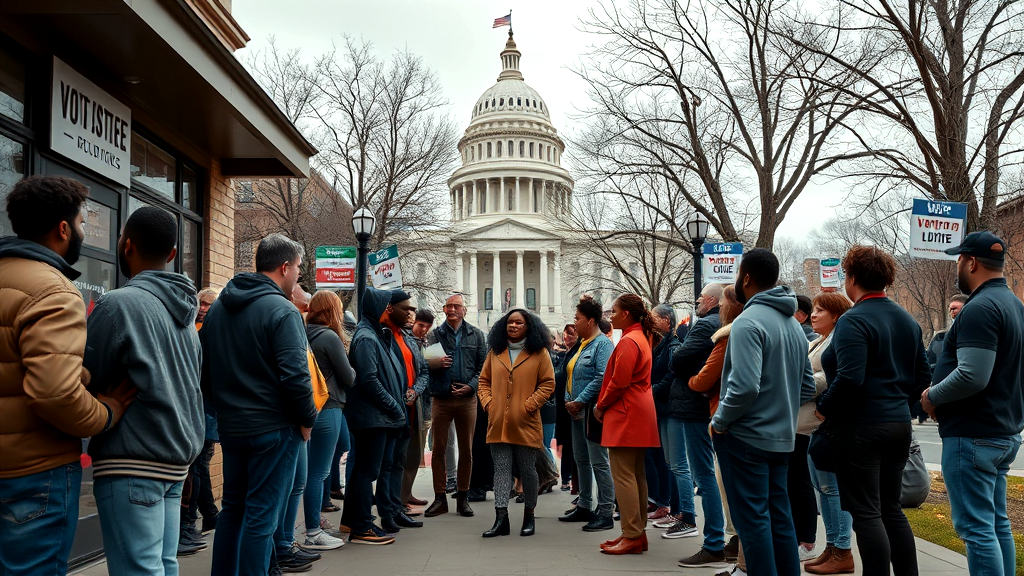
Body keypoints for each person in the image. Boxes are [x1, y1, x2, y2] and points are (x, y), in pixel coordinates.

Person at [0, 176, 136, 576]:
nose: (81, 231)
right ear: (63, 229)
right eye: (80, 223)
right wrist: (107, 410)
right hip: (34, 473)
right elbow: (55, 394)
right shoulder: (53, 291)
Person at [83, 206, 205, 575]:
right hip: (175, 460)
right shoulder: (186, 317)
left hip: (132, 459)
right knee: (163, 566)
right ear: (171, 255)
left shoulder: (117, 304)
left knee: (140, 569)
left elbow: (84, 377)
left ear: (126, 244)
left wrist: (103, 406)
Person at [202, 233, 318, 576]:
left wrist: (224, 408)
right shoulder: (282, 311)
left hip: (234, 426)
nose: (298, 275)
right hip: (274, 429)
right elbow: (296, 378)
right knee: (261, 517)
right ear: (284, 267)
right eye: (297, 268)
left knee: (234, 510)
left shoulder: (219, 308)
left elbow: (204, 370)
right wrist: (307, 419)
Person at [816, 245, 930, 576]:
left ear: (852, 279)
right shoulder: (907, 320)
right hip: (896, 424)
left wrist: (824, 406)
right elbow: (922, 378)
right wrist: (898, 406)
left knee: (866, 512)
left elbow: (851, 377)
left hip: (858, 428)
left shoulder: (854, 320)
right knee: (890, 509)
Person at [921, 231, 1024, 576]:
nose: (957, 267)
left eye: (959, 261)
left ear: (972, 262)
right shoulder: (1013, 304)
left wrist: (930, 396)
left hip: (974, 434)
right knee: (996, 525)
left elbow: (972, 375)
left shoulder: (980, 307)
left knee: (977, 530)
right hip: (1001, 430)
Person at [711, 248, 815, 576]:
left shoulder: (748, 323)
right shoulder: (793, 325)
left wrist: (720, 421)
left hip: (746, 439)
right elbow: (808, 388)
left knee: (753, 523)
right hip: (781, 439)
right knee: (780, 519)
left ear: (746, 277)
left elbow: (743, 388)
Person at [478, 309, 556, 538]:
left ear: (528, 327)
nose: (513, 326)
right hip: (498, 422)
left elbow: (548, 384)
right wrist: (489, 404)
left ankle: (529, 515)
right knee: (501, 472)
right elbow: (483, 381)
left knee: (528, 471)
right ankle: (501, 518)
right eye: (510, 322)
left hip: (526, 422)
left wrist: (528, 406)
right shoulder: (495, 352)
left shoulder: (539, 353)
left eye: (518, 323)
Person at [341, 287, 408, 545]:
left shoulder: (373, 335)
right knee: (366, 472)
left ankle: (353, 521)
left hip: (378, 416)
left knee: (365, 470)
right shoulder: (367, 337)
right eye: (386, 306)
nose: (389, 311)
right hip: (373, 417)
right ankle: (362, 527)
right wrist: (393, 405)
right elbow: (368, 380)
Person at [594, 294, 660, 555]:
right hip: (639, 409)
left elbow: (619, 382)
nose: (611, 315)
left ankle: (632, 533)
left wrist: (601, 406)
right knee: (636, 474)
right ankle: (636, 532)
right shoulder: (641, 337)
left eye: (615, 311)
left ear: (627, 314)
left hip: (626, 411)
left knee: (623, 474)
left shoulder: (629, 341)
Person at [663, 283, 723, 542]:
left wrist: (676, 345)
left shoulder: (706, 324)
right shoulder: (714, 323)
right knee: (702, 472)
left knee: (702, 474)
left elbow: (677, 361)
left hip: (694, 406)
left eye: (700, 297)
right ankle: (715, 537)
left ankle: (713, 540)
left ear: (711, 300)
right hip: (696, 403)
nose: (697, 301)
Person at [688, 285, 743, 568]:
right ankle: (737, 548)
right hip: (764, 425)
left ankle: (736, 549)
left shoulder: (729, 336)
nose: (718, 308)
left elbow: (703, 378)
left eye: (722, 303)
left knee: (727, 486)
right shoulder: (784, 329)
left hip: (730, 422)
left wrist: (719, 421)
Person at [801, 293, 855, 575]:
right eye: (813, 309)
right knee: (821, 487)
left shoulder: (838, 340)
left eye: (820, 310)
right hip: (812, 426)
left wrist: (798, 383)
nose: (814, 314)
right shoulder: (819, 340)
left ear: (836, 315)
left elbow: (828, 378)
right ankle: (832, 546)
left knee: (832, 489)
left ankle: (842, 548)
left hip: (827, 422)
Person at [301, 290, 355, 551]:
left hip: (307, 407)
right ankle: (313, 531)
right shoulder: (329, 337)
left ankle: (314, 523)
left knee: (310, 470)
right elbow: (349, 377)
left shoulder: (303, 332)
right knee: (318, 472)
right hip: (329, 405)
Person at [424, 294, 487, 517]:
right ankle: (440, 497)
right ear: (443, 309)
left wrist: (470, 386)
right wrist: (436, 362)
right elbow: (426, 364)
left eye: (456, 306)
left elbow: (483, 368)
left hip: (467, 399)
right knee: (439, 449)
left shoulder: (477, 335)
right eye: (449, 306)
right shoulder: (434, 335)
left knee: (467, 450)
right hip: (442, 397)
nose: (452, 310)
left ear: (464, 310)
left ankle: (463, 497)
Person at [559, 296, 616, 532]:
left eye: (578, 319)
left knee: (598, 461)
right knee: (581, 460)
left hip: (592, 412)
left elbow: (602, 377)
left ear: (590, 320)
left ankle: (605, 511)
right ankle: (584, 504)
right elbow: (572, 374)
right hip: (576, 412)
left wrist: (580, 401)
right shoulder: (583, 344)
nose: (575, 323)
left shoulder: (602, 344)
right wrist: (569, 400)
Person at [376, 290, 426, 534]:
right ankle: (387, 512)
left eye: (411, 310)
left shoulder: (409, 339)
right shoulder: (383, 336)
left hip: (410, 408)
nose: (410, 314)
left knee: (400, 462)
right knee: (388, 464)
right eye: (405, 309)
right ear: (390, 310)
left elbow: (423, 371)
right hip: (392, 409)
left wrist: (415, 391)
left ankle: (397, 509)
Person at [181, 288, 221, 553]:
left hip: (206, 410)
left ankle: (199, 519)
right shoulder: (192, 331)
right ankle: (196, 521)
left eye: (208, 304)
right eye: (201, 303)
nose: (204, 308)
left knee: (199, 468)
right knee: (195, 470)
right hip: (198, 409)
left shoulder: (206, 332)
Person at [648, 304, 682, 522]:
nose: (651, 322)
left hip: (666, 408)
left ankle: (676, 508)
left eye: (655, 318)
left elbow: (670, 375)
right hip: (658, 408)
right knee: (661, 459)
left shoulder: (673, 346)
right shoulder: (659, 345)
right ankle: (664, 504)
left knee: (672, 463)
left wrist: (652, 391)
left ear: (667, 321)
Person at [402, 308, 435, 508]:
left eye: (427, 327)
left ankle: (407, 492)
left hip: (423, 403)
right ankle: (400, 496)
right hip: (408, 401)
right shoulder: (405, 340)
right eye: (421, 325)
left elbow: (424, 372)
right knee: (406, 453)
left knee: (416, 452)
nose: (423, 330)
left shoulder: (426, 342)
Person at [553, 324, 579, 491]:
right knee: (565, 442)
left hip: (573, 403)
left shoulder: (576, 353)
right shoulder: (564, 355)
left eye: (571, 334)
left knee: (573, 445)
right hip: (562, 404)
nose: (567, 337)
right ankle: (567, 479)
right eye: (565, 334)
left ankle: (573, 482)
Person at [926, 294, 968, 368]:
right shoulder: (939, 338)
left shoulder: (978, 336)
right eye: (950, 309)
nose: (953, 312)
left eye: (955, 308)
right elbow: (929, 361)